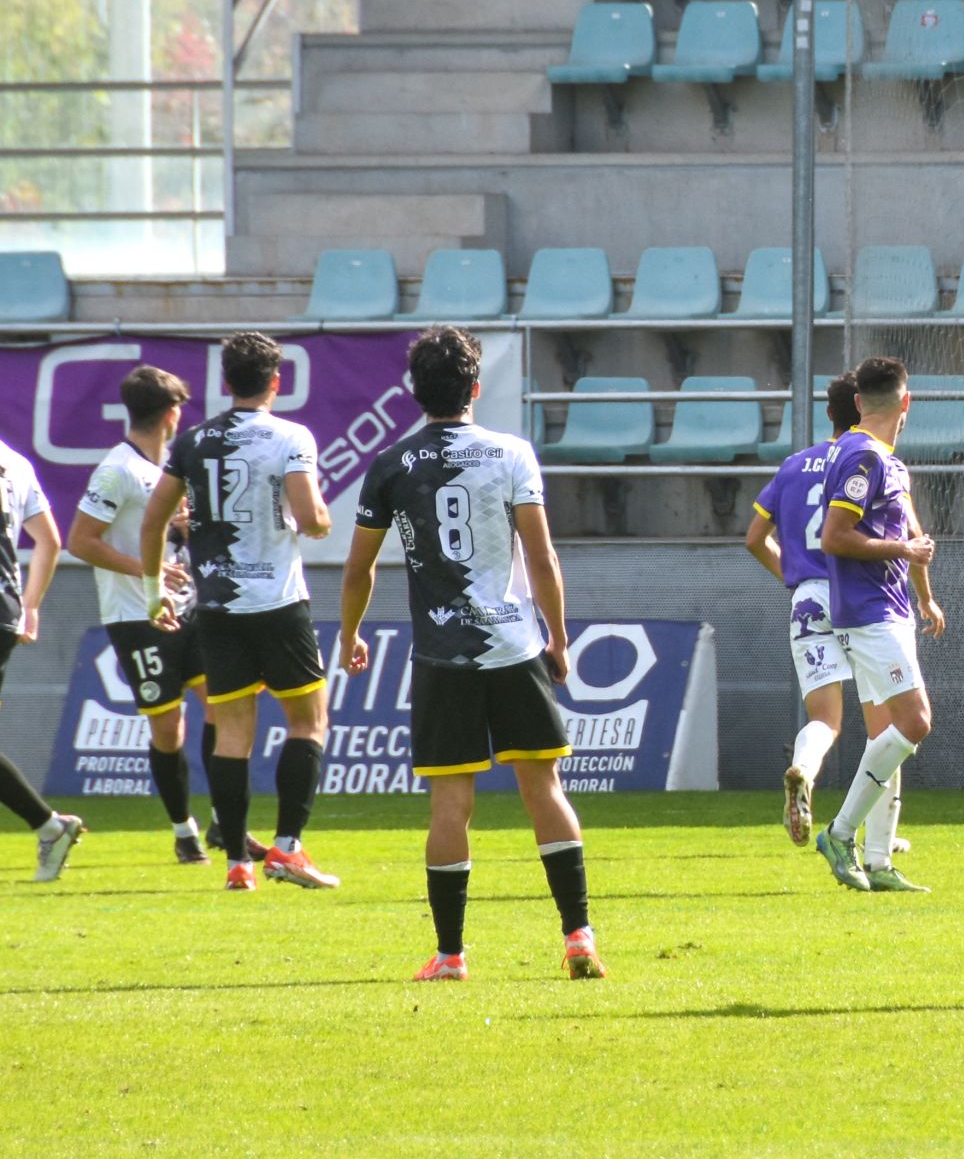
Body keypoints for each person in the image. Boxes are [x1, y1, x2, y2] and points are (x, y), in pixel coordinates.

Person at [341, 326, 604, 981]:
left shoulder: (390, 466)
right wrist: (559, 635)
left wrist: (349, 634)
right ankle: (578, 937)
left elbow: (359, 571)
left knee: (449, 805)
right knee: (543, 787)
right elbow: (540, 555)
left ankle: (452, 955)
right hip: (514, 646)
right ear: (476, 389)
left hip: (441, 655)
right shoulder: (511, 454)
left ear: (414, 393)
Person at [141, 332, 336, 892]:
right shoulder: (291, 436)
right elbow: (311, 514)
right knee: (309, 721)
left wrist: (156, 591)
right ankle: (290, 847)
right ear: (276, 381)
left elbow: (155, 521)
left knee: (232, 735)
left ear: (225, 382)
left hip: (218, 607)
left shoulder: (195, 441)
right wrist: (316, 521)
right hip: (277, 603)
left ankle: (237, 864)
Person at [746, 372, 943, 859]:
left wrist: (794, 578)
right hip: (862, 595)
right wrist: (926, 597)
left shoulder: (795, 465)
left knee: (825, 720)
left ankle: (805, 772)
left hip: (809, 598)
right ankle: (873, 842)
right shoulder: (874, 460)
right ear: (862, 409)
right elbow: (910, 534)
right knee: (889, 727)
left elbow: (753, 538)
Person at [69, 365, 214, 864]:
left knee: (221, 706)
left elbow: (161, 532)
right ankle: (184, 830)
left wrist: (183, 529)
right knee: (168, 728)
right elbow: (81, 541)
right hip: (136, 616)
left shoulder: (167, 467)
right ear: (172, 413)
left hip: (186, 608)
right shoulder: (117, 469)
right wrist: (145, 570)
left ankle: (225, 823)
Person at [812, 357, 937, 893]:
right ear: (906, 403)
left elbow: (908, 536)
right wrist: (904, 548)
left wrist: (923, 593)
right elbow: (835, 537)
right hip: (868, 612)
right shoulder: (864, 457)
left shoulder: (881, 459)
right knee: (915, 722)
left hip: (888, 606)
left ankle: (880, 860)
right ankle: (840, 833)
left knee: (890, 733)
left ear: (860, 402)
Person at [0, 436, 82, 881]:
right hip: (6, 611)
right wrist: (29, 605)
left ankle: (50, 826)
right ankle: (51, 826)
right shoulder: (15, 462)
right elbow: (49, 540)